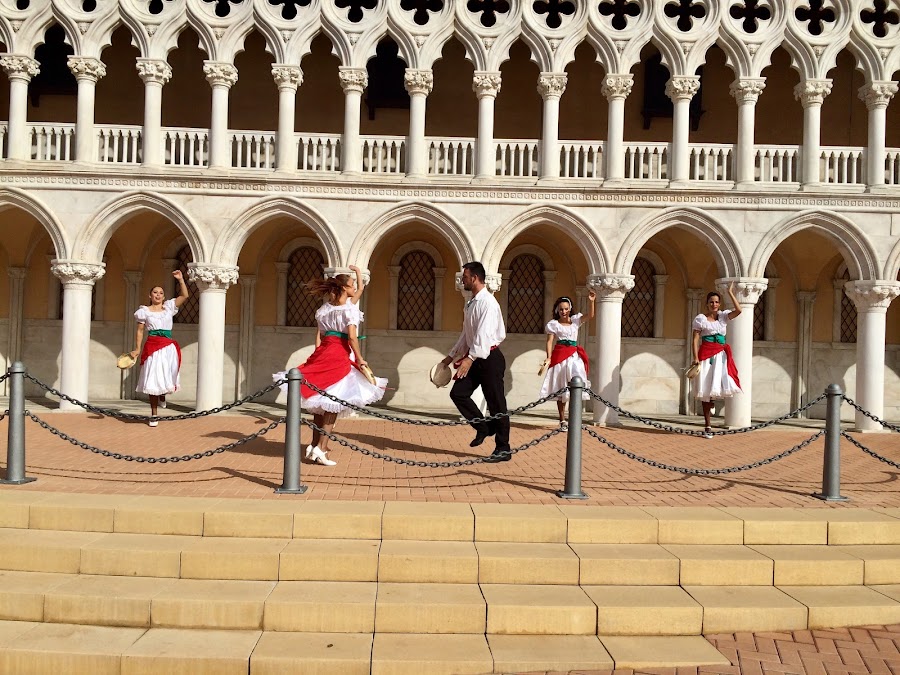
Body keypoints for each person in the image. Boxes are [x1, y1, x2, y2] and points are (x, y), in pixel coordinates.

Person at [276, 272, 386, 466]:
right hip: (338, 355)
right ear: (344, 288)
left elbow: (320, 335)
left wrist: (318, 354)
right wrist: (360, 359)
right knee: (334, 400)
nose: (354, 288)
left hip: (324, 352)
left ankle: (314, 445)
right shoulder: (349, 311)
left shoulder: (324, 310)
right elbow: (352, 337)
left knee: (320, 400)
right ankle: (321, 448)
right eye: (351, 284)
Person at [439, 262, 511, 463]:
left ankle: (503, 448)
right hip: (475, 358)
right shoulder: (471, 303)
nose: (463, 280)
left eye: (465, 277)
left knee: (496, 403)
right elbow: (467, 334)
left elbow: (484, 336)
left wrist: (469, 360)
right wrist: (450, 357)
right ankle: (484, 427)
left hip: (490, 359)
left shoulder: (488, 302)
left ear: (475, 278)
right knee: (458, 393)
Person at [130, 270, 190, 427]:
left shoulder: (169, 307)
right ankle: (154, 414)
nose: (158, 295)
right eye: (155, 292)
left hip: (168, 346)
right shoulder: (144, 311)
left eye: (161, 293)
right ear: (150, 296)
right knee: (152, 380)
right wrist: (137, 349)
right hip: (152, 346)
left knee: (167, 376)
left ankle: (163, 395)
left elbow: (184, 296)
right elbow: (140, 331)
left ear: (164, 297)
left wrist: (181, 280)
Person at [691, 282, 743, 438]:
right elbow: (695, 339)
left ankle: (712, 401)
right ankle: (707, 425)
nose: (714, 304)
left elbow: (739, 310)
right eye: (711, 302)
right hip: (706, 355)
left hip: (720, 355)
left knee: (722, 382)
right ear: (707, 304)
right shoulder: (701, 319)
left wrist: (730, 292)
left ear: (719, 304)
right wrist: (695, 358)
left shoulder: (723, 317)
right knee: (705, 388)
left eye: (716, 302)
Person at [540, 290, 596, 425]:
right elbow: (549, 341)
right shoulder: (553, 324)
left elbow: (591, 315)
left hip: (574, 357)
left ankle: (574, 418)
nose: (563, 311)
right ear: (557, 310)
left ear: (570, 309)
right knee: (561, 387)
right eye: (561, 309)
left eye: (566, 309)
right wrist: (549, 357)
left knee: (576, 383)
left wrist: (591, 301)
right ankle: (562, 419)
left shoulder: (576, 320)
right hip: (560, 357)